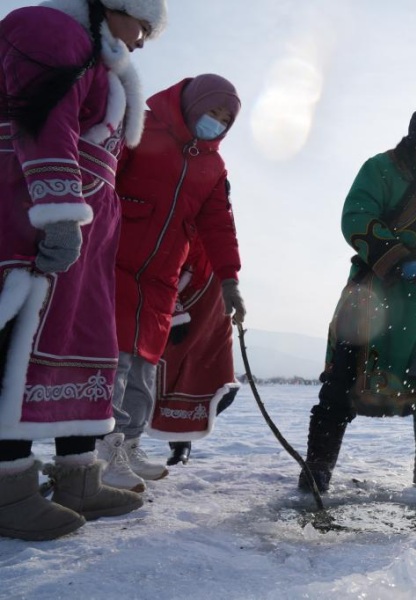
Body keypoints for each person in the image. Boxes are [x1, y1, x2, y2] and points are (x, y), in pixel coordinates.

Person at [0, 0, 166, 541]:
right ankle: (9, 490)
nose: (141, 41)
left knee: (78, 346)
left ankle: (78, 480)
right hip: (31, 219)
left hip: (87, 238)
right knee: (17, 351)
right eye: (141, 25)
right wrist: (59, 213)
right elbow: (42, 122)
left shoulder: (97, 59)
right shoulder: (50, 33)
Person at [300, 109, 416, 494]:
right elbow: (356, 216)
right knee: (341, 381)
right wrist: (397, 258)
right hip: (372, 288)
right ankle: (318, 468)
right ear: (413, 147)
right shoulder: (380, 169)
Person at [100, 74, 245, 492]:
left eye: (224, 119)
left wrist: (229, 280)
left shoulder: (212, 166)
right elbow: (103, 179)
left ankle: (127, 445)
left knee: (144, 369)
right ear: (190, 104)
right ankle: (99, 452)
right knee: (114, 365)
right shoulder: (139, 128)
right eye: (211, 112)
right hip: (113, 263)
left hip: (161, 279)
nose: (215, 122)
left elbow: (219, 225)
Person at [143, 240, 241, 466]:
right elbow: (166, 254)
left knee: (218, 382)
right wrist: (175, 309)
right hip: (187, 297)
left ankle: (181, 436)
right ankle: (122, 445)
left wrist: (231, 285)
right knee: (154, 381)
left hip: (214, 305)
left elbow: (224, 240)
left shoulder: (221, 207)